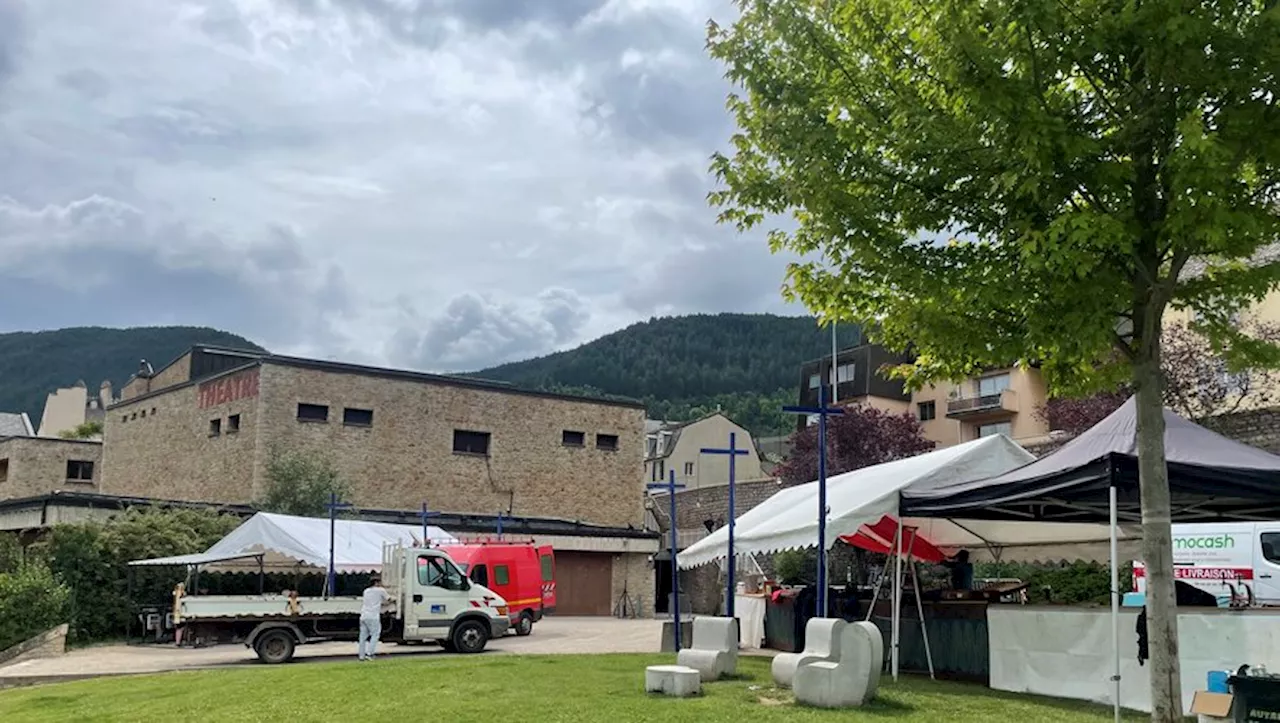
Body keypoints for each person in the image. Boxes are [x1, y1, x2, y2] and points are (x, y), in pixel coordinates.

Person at [358, 576, 391, 661]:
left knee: (363, 637)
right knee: (375, 634)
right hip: (373, 616)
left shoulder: (366, 591)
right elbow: (389, 599)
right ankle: (370, 654)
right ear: (376, 583)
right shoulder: (380, 590)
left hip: (364, 615)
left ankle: (361, 656)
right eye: (379, 582)